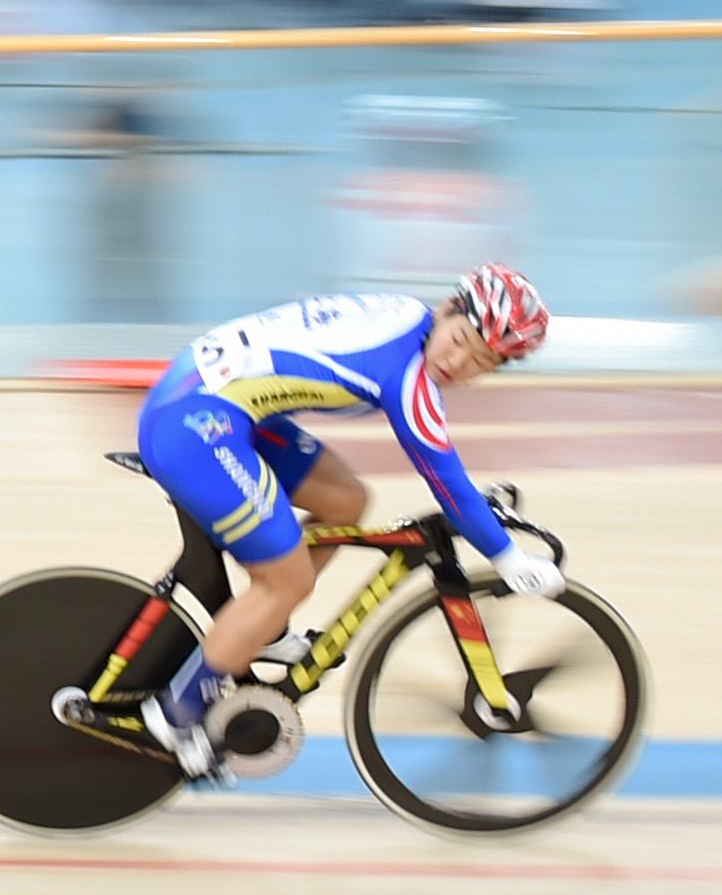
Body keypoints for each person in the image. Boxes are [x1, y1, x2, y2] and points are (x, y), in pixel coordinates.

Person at [133, 262, 559, 780]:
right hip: (197, 424)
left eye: (481, 360)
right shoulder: (407, 376)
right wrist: (509, 558)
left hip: (213, 404)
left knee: (345, 499)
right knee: (286, 579)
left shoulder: (404, 317)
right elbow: (448, 485)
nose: (458, 361)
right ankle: (175, 713)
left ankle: (263, 626)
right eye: (461, 339)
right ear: (448, 308)